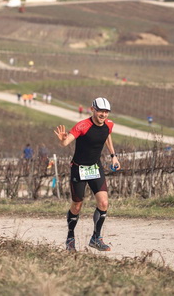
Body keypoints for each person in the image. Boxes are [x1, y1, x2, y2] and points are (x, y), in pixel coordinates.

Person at [54, 97, 120, 253]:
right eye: (100, 111)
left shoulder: (109, 125)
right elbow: (66, 142)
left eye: (106, 112)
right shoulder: (82, 126)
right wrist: (62, 140)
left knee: (103, 203)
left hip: (95, 168)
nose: (103, 114)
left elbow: (107, 136)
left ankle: (96, 238)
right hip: (79, 169)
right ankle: (70, 238)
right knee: (77, 205)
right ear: (93, 109)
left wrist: (113, 155)